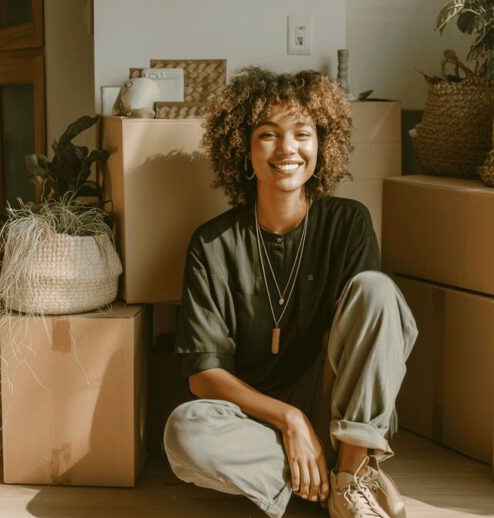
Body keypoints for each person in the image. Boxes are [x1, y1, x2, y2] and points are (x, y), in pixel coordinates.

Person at [163, 67, 417, 518]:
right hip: (259, 424)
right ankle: (331, 481)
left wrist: (317, 421)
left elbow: (374, 335)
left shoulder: (348, 222)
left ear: (322, 144)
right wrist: (290, 419)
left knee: (378, 290)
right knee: (184, 432)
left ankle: (347, 474)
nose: (287, 149)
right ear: (243, 147)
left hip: (340, 413)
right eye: (268, 134)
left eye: (302, 133)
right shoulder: (212, 242)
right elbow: (204, 375)